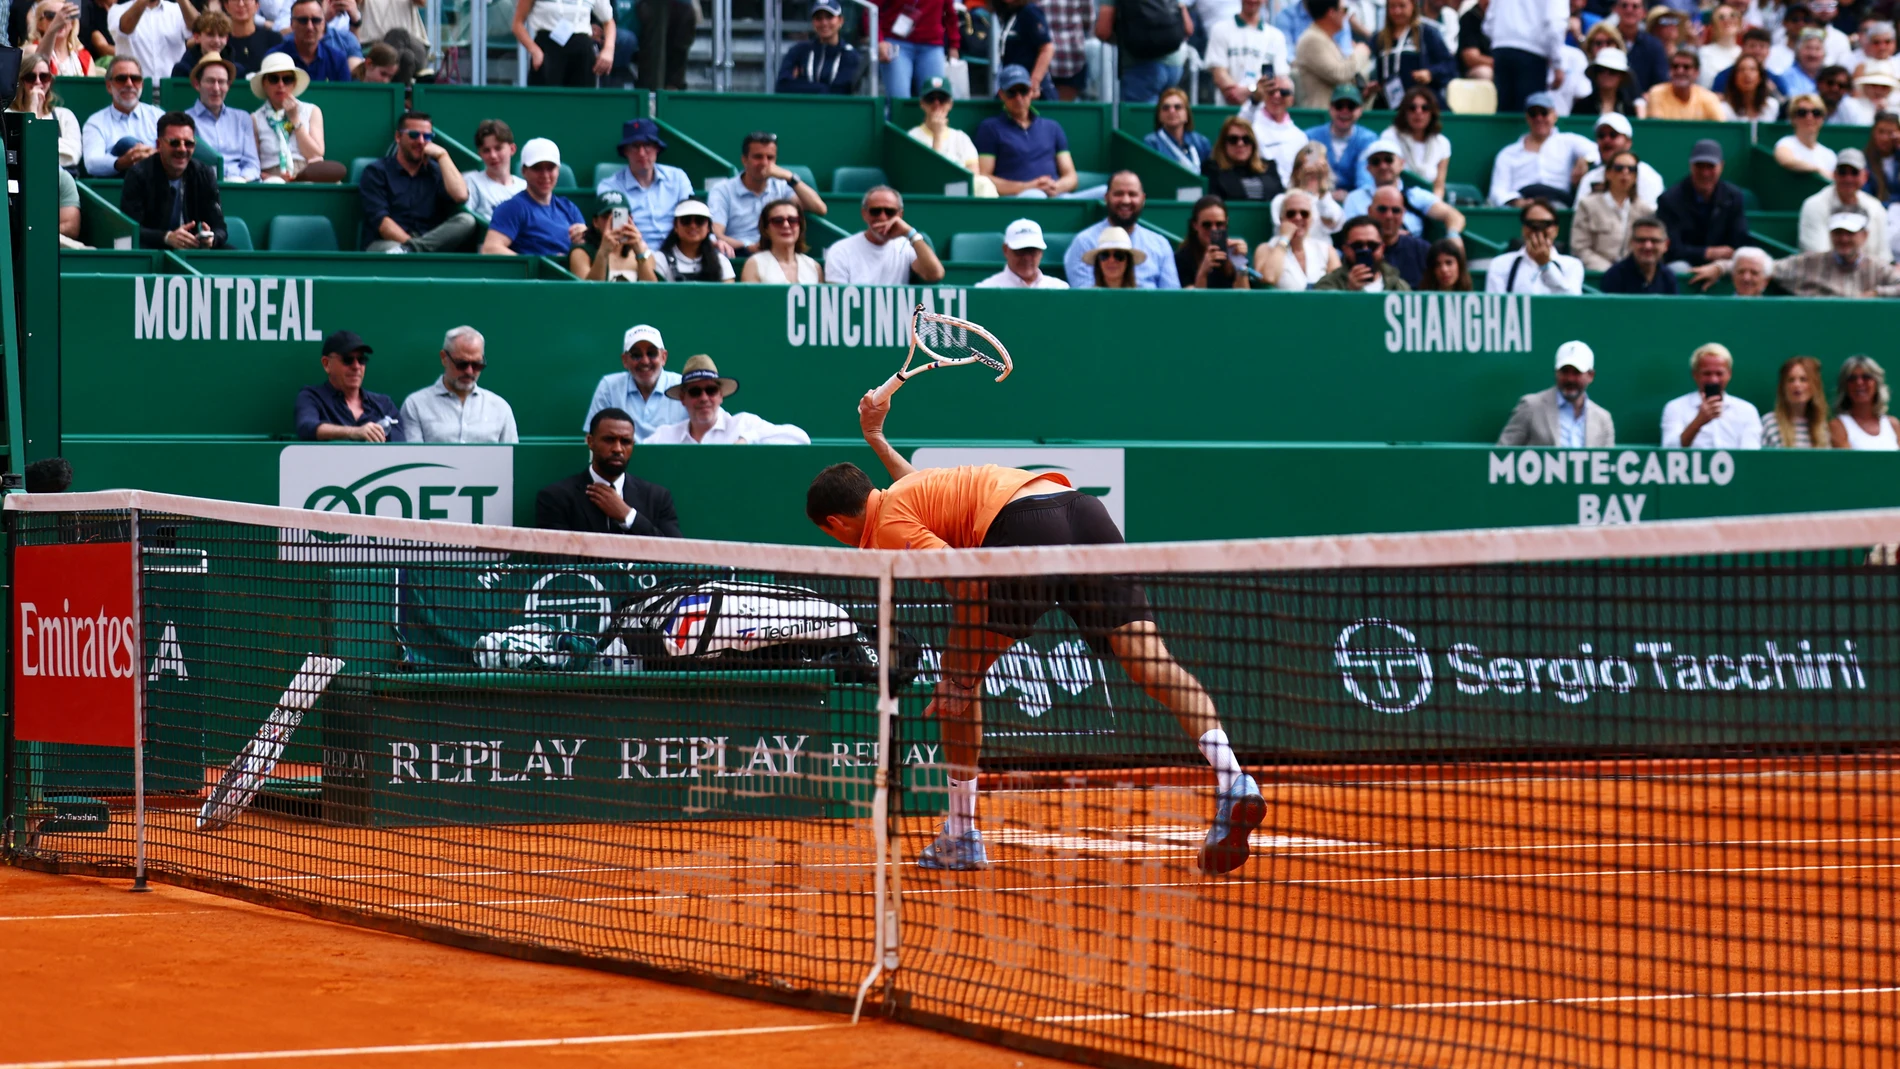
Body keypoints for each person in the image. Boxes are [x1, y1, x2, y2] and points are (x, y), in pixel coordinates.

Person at [806, 391, 1267, 877]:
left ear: (836, 523)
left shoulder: (887, 530)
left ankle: (961, 834)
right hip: (1081, 511)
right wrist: (875, 437)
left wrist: (959, 672)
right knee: (1150, 660)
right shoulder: (908, 495)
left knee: (960, 677)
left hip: (1023, 527)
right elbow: (910, 492)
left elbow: (971, 583)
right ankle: (1233, 777)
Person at [536, 408, 682, 536]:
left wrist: (629, 516)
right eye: (609, 440)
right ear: (590, 441)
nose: (618, 449)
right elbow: (558, 562)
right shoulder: (557, 498)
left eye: (625, 441)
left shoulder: (657, 498)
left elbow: (676, 556)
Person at [1695, 211, 1900, 295]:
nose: (1843, 239)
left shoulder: (1877, 268)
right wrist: (1720, 267)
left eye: (1850, 234)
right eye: (1838, 233)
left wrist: (1876, 293)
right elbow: (1761, 267)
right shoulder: (1811, 262)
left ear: (1864, 236)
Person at [356, 111, 473, 253]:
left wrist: (443, 156)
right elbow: (382, 223)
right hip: (387, 244)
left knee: (467, 221)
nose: (421, 141)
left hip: (428, 240)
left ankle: (413, 251)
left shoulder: (436, 170)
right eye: (414, 135)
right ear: (398, 137)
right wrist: (412, 246)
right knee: (392, 252)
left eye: (427, 136)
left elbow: (461, 196)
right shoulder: (376, 171)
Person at [120, 110, 225, 250]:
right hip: (153, 249)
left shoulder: (204, 173)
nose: (182, 149)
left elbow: (220, 227)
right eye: (174, 143)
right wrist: (167, 237)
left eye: (188, 144)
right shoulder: (138, 174)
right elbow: (130, 229)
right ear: (159, 145)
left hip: (192, 246)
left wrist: (211, 238)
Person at [708, 132, 827, 256]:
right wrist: (747, 246)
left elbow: (820, 209)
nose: (764, 163)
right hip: (738, 254)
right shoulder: (722, 190)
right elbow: (716, 234)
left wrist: (790, 177)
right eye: (758, 157)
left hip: (776, 255)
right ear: (744, 160)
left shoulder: (782, 186)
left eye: (770, 158)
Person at [647, 355, 811, 445]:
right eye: (695, 392)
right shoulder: (665, 436)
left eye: (711, 390)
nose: (704, 398)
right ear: (683, 398)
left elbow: (801, 438)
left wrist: (748, 439)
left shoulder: (743, 424)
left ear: (721, 395)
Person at [396, 326, 519, 444]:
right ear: (444, 358)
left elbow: (512, 460)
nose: (469, 371)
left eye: (477, 365)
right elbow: (413, 458)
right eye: (462, 364)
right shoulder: (416, 405)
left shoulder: (500, 408)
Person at [975, 65, 1078, 197]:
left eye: (1023, 91)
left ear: (1031, 92)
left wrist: (1055, 187)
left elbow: (1071, 176)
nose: (1018, 98)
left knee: (1105, 192)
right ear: (1002, 95)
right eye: (1012, 92)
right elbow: (984, 178)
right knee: (1036, 195)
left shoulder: (1053, 127)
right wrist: (1028, 187)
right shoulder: (990, 128)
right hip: (1020, 199)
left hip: (1057, 195)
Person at [1064, 172, 1179, 288]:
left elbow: (1172, 298)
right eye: (1118, 194)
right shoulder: (1083, 242)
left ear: (1143, 199)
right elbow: (1085, 297)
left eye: (1132, 194)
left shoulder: (1160, 244)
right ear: (1106, 197)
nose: (1126, 200)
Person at [1497, 340, 1616, 446]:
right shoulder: (1530, 406)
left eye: (1576, 373)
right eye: (1564, 371)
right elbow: (1503, 453)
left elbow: (1608, 464)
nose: (1570, 379)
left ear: (1590, 375)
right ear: (1556, 372)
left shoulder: (1603, 419)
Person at [1488, 90, 1597, 207]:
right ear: (1527, 117)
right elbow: (1497, 191)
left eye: (1544, 113)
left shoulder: (1569, 141)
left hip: (1558, 203)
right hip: (1521, 206)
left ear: (1554, 115)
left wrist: (1585, 160)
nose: (1539, 118)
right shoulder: (1508, 153)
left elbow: (1597, 152)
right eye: (1533, 113)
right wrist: (1517, 202)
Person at [597, 119, 693, 249]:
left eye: (647, 145)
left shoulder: (678, 177)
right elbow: (618, 233)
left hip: (679, 251)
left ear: (657, 148)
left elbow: (692, 215)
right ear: (626, 151)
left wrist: (712, 240)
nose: (641, 153)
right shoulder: (610, 187)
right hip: (632, 253)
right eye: (635, 146)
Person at [824, 186, 946, 285]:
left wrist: (911, 234)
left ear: (900, 215)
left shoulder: (906, 246)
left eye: (890, 212)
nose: (882, 217)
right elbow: (838, 300)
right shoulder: (841, 250)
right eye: (875, 211)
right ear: (864, 214)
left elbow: (935, 275)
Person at [250, 52, 343, 182]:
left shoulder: (311, 110)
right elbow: (252, 163)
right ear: (264, 84)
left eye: (287, 79)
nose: (281, 85)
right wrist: (273, 177)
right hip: (273, 177)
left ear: (294, 83)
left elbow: (315, 154)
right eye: (273, 79)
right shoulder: (255, 118)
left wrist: (295, 119)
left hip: (307, 172)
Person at [583, 324, 686, 440]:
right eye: (636, 355)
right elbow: (592, 438)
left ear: (663, 357)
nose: (645, 361)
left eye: (651, 353)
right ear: (625, 360)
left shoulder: (683, 386)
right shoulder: (609, 387)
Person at [295, 330, 401, 441]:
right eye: (347, 360)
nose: (356, 366)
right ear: (326, 364)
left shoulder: (384, 405)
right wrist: (355, 432)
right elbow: (306, 427)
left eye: (361, 360)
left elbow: (399, 448)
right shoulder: (312, 397)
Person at [1658, 138, 1750, 267]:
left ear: (1721, 166)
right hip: (1686, 264)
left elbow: (1739, 241)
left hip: (1721, 265)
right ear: (1691, 166)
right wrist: (1707, 253)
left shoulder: (1734, 197)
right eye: (1699, 166)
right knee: (1678, 267)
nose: (1705, 173)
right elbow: (1671, 248)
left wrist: (1718, 266)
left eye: (1710, 166)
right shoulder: (1670, 200)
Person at [1661, 342, 1762, 449]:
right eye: (1707, 373)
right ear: (1695, 374)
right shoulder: (1675, 408)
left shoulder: (1747, 411)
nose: (1713, 380)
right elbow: (1669, 451)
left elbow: (1751, 454)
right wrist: (1698, 421)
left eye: (1719, 373)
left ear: (1729, 374)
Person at [1572, 148, 1656, 269]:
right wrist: (1611, 271)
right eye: (1619, 168)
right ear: (1608, 173)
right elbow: (1580, 248)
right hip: (1598, 273)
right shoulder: (1587, 205)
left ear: (1636, 177)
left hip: (1634, 276)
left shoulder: (1645, 210)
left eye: (1631, 169)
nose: (1625, 172)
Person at [1800, 148, 1890, 261]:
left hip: (1871, 275)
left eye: (1854, 172)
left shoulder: (1876, 207)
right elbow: (1818, 257)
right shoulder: (1814, 205)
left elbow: (1883, 256)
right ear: (1834, 174)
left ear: (1865, 176)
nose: (1848, 178)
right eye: (1842, 172)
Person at [80, 55, 161, 177]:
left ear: (142, 85)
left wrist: (151, 155)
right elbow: (92, 163)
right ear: (109, 86)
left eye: (135, 79)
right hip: (116, 186)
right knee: (127, 143)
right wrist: (123, 161)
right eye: (121, 79)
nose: (129, 84)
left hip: (156, 185)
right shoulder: (96, 122)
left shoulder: (158, 116)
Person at [1484, 199, 1585, 293]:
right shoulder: (1500, 264)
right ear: (1523, 229)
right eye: (1532, 224)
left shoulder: (1572, 265)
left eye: (1545, 224)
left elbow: (1571, 302)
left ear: (1556, 230)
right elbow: (1496, 305)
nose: (1538, 230)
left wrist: (1546, 266)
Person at [909, 78, 991, 194]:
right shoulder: (912, 137)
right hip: (928, 195)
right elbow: (927, 179)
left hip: (960, 195)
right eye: (931, 99)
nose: (936, 103)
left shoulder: (961, 138)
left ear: (950, 104)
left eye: (942, 99)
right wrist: (937, 135)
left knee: (984, 183)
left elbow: (973, 178)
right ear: (922, 103)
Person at [1485, 0, 1567, 111]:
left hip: (1502, 48)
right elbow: (1555, 25)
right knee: (1530, 113)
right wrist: (1557, 64)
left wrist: (1501, 39)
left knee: (1505, 112)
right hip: (1532, 53)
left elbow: (1489, 22)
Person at [10, 50, 82, 173]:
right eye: (31, 77)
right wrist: (32, 110)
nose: (38, 82)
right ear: (20, 81)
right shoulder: (9, 114)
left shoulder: (64, 115)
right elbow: (17, 155)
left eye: (44, 77)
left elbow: (72, 155)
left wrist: (35, 147)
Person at [510, 0, 611, 87]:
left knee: (582, 104)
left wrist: (608, 50)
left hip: (582, 53)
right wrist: (534, 50)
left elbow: (608, 21)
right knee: (544, 104)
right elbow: (517, 24)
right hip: (547, 51)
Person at [1373, 0, 1455, 107]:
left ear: (1413, 6)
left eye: (1402, 6)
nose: (1397, 11)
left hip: (1421, 104)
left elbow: (1450, 65)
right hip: (1389, 102)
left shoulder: (1426, 33)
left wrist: (1431, 73)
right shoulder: (1380, 38)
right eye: (1392, 6)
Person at [1254, 189, 1339, 289]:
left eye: (1304, 213)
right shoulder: (1266, 249)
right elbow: (1269, 278)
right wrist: (1284, 238)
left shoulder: (1326, 250)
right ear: (1281, 219)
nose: (1298, 218)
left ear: (1311, 219)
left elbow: (1338, 286)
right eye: (1291, 213)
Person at [1206, 0, 1289, 104]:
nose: (1252, 0)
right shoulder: (1220, 29)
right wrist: (1251, 92)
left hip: (1264, 113)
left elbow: (1281, 79)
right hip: (1229, 110)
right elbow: (1219, 73)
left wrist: (1250, 91)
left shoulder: (1276, 36)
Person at [776, 0, 863, 93]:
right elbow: (782, 86)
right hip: (801, 107)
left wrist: (800, 83)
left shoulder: (850, 55)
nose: (824, 23)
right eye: (818, 18)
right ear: (813, 22)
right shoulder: (798, 50)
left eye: (829, 17)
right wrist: (823, 88)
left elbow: (840, 92)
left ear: (841, 20)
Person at [878, 0, 959, 98]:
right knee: (899, 99)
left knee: (935, 99)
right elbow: (870, 10)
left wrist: (954, 45)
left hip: (932, 46)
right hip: (897, 44)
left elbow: (950, 15)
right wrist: (879, 41)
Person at [1295, 0, 1367, 109]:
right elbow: (1340, 74)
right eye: (1344, 10)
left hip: (1334, 116)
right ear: (1331, 13)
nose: (1346, 14)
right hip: (1320, 117)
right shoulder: (1312, 40)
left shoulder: (1325, 38)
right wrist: (1361, 51)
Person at [1237, 73, 1308, 184]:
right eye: (1271, 92)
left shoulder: (1300, 137)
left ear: (1292, 100)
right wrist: (1255, 99)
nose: (1277, 96)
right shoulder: (1252, 124)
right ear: (1263, 95)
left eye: (1284, 93)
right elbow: (1239, 128)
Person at [639, 198, 733, 281]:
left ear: (708, 227)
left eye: (699, 221)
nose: (693, 226)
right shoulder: (660, 259)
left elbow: (729, 297)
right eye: (686, 220)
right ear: (675, 226)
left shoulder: (721, 261)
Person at [1575, 113, 1663, 201]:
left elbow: (1650, 213)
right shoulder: (1590, 178)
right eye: (1601, 136)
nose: (1606, 140)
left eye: (1613, 135)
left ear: (1628, 142)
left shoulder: (1648, 176)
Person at [1384, 85, 1451, 200]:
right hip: (1396, 199)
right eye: (1412, 108)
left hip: (1428, 202)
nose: (1418, 112)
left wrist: (1432, 204)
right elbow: (1386, 177)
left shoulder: (1442, 143)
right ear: (1405, 112)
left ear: (1432, 112)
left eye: (1425, 108)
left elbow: (1439, 186)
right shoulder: (1390, 137)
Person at [1304, 85, 1377, 189]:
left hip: (1355, 200)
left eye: (1351, 106)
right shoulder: (1312, 137)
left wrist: (1351, 198)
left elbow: (1365, 180)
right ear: (1330, 108)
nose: (1344, 111)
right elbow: (1311, 174)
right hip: (1318, 197)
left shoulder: (1368, 139)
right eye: (1339, 106)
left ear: (1360, 110)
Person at [573, 190, 657, 281]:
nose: (612, 222)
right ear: (595, 222)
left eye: (618, 216)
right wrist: (603, 253)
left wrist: (639, 253)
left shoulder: (644, 252)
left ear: (630, 219)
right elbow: (587, 293)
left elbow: (653, 292)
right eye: (606, 217)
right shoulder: (581, 253)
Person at [109, 0, 192, 88]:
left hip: (173, 88)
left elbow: (198, 30)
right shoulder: (118, 9)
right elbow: (126, 29)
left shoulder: (177, 9)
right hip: (134, 87)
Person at [1315, 214, 1410, 290]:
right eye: (1357, 246)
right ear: (1345, 249)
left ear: (1382, 248)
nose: (1365, 250)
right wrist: (1349, 292)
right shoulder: (1327, 285)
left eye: (1372, 245)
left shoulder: (1399, 286)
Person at [741, 198, 823, 284]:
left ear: (800, 226)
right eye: (778, 221)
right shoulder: (754, 264)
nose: (786, 225)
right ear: (766, 229)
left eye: (792, 220)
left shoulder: (814, 267)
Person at [460, 118, 527, 224]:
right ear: (480, 154)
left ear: (512, 149)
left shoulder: (525, 187)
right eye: (486, 150)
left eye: (498, 148)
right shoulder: (471, 180)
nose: (493, 155)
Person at [1274, 141, 1346, 239]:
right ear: (1297, 171)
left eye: (1320, 167)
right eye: (1309, 164)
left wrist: (1322, 188)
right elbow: (1286, 228)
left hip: (1321, 252)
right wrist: (1303, 180)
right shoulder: (1281, 200)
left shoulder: (1329, 202)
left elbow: (1330, 221)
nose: (1314, 170)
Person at [267, 0, 355, 79]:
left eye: (315, 20)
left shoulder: (337, 60)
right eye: (303, 20)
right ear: (292, 24)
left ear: (323, 24)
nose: (309, 27)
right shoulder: (274, 57)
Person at [1175, 195, 1250, 289]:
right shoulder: (1182, 257)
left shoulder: (1234, 250)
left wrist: (1240, 265)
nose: (1213, 229)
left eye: (1219, 224)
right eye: (1207, 225)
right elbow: (1194, 301)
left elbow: (1244, 298)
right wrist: (1203, 272)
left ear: (1226, 223)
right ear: (1195, 225)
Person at [1203, 115, 1284, 201]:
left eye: (1246, 139)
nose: (1240, 144)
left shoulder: (1269, 168)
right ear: (1223, 144)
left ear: (1253, 144)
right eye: (1233, 139)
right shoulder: (1211, 169)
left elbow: (1279, 200)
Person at [1367, 183, 1433, 285]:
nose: (1389, 216)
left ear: (1403, 214)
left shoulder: (1422, 250)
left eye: (1396, 210)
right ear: (1370, 211)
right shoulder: (1357, 247)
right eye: (1382, 209)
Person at [1829, 354, 1900, 449]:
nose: (1859, 382)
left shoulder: (1893, 424)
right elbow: (1848, 463)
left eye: (1866, 377)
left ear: (1877, 383)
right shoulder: (1837, 426)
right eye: (1852, 379)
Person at [1761, 354, 1831, 447]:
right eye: (1791, 380)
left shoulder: (1822, 426)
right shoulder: (1770, 423)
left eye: (1803, 379)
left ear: (1815, 385)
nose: (1797, 385)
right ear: (1783, 387)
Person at [977, 217, 1068, 288]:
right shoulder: (985, 289)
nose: (1027, 258)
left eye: (1032, 251)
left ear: (1041, 252)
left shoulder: (1060, 288)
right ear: (1005, 250)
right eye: (1020, 251)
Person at [994, 0, 1057, 99]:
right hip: (1010, 85)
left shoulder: (1030, 12)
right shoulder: (1009, 12)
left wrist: (1034, 83)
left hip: (1030, 91)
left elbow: (1047, 48)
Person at [1598, 214, 1677, 292]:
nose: (1648, 246)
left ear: (1666, 245)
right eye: (1641, 240)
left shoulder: (1668, 277)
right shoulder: (1614, 276)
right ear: (1631, 243)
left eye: (1654, 241)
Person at [1145, 87, 1212, 172]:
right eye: (1166, 107)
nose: (1172, 111)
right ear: (1159, 115)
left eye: (1178, 107)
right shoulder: (1152, 143)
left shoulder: (1201, 142)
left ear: (1187, 114)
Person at [1645, 48, 1724, 117]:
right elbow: (1658, 129)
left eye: (1686, 67)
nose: (1680, 71)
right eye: (1675, 66)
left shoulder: (1709, 98)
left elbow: (1721, 129)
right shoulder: (1657, 93)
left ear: (1696, 73)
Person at [1606, 0, 1666, 91]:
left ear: (1644, 13)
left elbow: (1661, 83)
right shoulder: (1605, 40)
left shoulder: (1654, 45)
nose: (1629, 10)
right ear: (1616, 10)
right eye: (1624, 5)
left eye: (1635, 6)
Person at [28, 0, 95, 76]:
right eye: (51, 16)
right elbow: (40, 64)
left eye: (66, 16)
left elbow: (90, 87)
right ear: (39, 24)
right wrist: (53, 28)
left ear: (72, 23)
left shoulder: (85, 57)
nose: (60, 21)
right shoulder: (32, 50)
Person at [220, 0, 281, 74]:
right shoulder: (220, 42)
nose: (241, 4)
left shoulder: (273, 40)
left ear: (257, 5)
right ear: (226, 6)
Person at [1718, 53, 1782, 120]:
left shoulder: (1772, 106)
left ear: (1760, 77)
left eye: (1752, 69)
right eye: (1741, 70)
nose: (1747, 74)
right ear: (1734, 77)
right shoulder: (1724, 109)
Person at [170, 8, 226, 76]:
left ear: (227, 38)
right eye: (210, 35)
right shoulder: (182, 70)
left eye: (221, 35)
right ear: (197, 37)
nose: (217, 40)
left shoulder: (238, 70)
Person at [1699, 3, 1743, 86]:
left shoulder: (1744, 54)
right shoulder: (1703, 53)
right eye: (1721, 17)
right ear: (1713, 26)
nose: (1728, 20)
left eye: (1732, 15)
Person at [1865, 112, 1900, 207]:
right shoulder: (1863, 161)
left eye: (1890, 133)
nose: (1885, 138)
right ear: (1873, 133)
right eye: (1881, 132)